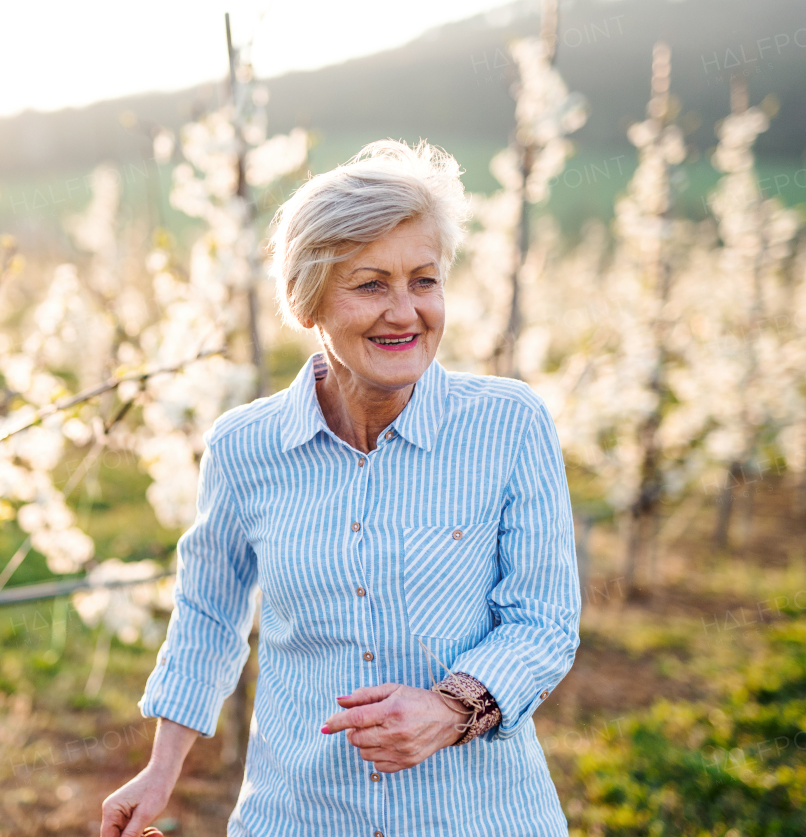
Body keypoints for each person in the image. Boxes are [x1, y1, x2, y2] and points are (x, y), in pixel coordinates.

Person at [101, 140, 582, 837]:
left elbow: (542, 620)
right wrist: (162, 768)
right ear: (308, 303)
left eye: (424, 280)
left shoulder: (509, 424)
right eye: (370, 284)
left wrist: (450, 709)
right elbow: (208, 612)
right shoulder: (245, 446)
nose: (404, 311)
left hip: (476, 816)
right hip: (300, 814)